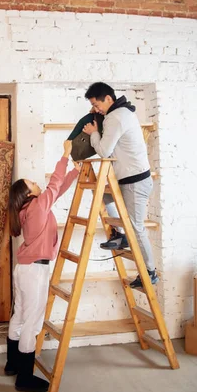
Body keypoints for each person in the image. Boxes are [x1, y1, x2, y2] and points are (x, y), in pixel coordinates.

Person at [5, 140, 80, 392]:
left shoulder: (31, 208)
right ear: (28, 194)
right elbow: (53, 185)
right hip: (35, 271)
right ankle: (24, 378)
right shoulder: (37, 205)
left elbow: (56, 190)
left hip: (24, 269)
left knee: (19, 316)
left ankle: (12, 364)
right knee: (32, 324)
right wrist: (65, 155)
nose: (36, 183)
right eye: (31, 184)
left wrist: (75, 172)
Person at [82, 82, 158, 289]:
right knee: (104, 198)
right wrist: (98, 116)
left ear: (108, 98)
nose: (96, 109)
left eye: (97, 105)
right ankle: (119, 234)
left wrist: (93, 133)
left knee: (136, 227)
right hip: (126, 179)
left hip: (134, 182)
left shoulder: (116, 117)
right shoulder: (118, 114)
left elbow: (105, 151)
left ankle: (150, 272)